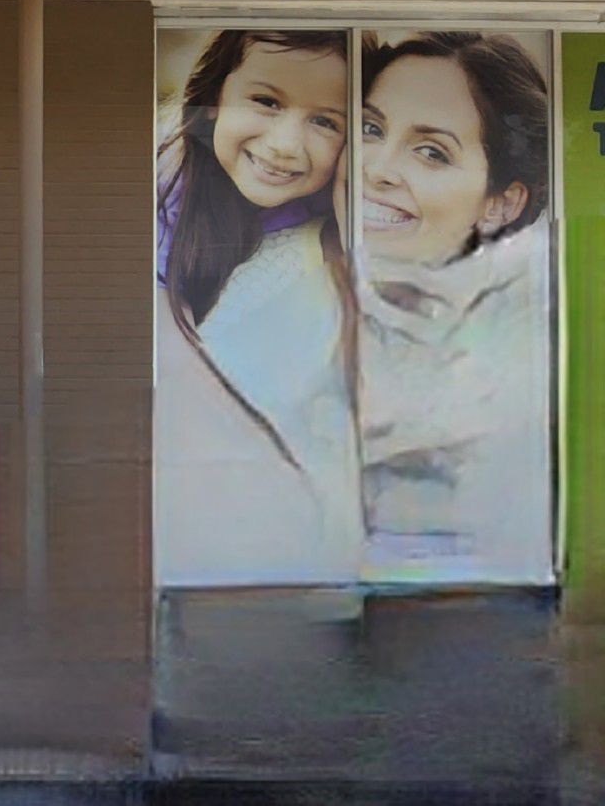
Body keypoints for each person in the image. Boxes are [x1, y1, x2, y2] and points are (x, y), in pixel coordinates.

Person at [153, 29, 362, 578]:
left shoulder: (328, 234)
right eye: (266, 102)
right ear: (214, 96)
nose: (285, 144)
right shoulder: (157, 190)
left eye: (325, 121)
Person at [352, 32, 552, 582]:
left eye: (431, 151)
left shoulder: (537, 330)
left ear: (502, 202)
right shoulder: (288, 290)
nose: (377, 168)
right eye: (370, 129)